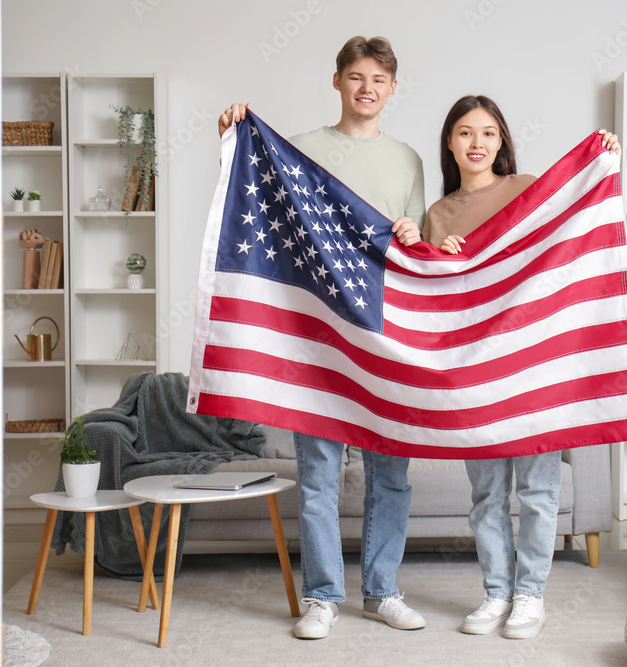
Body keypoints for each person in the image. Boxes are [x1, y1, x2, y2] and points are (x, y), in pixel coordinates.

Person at [218, 36, 425, 640]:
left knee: (392, 476)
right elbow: (249, 187)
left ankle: (382, 590)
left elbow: (417, 253)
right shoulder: (302, 151)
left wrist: (411, 233)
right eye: (356, 77)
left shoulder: (408, 159)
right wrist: (232, 131)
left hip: (385, 338)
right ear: (337, 81)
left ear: (392, 89)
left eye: (379, 80)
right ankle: (321, 596)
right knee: (318, 477)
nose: (367, 88)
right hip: (317, 340)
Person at [423, 95, 619, 639]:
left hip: (534, 365)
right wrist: (445, 256)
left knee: (537, 492)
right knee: (487, 494)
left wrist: (601, 157)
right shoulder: (439, 213)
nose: (477, 143)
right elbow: (435, 301)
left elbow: (568, 221)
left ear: (502, 141)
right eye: (465, 133)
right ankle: (496, 594)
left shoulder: (527, 188)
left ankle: (530, 596)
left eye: (488, 133)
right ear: (450, 143)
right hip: (474, 371)